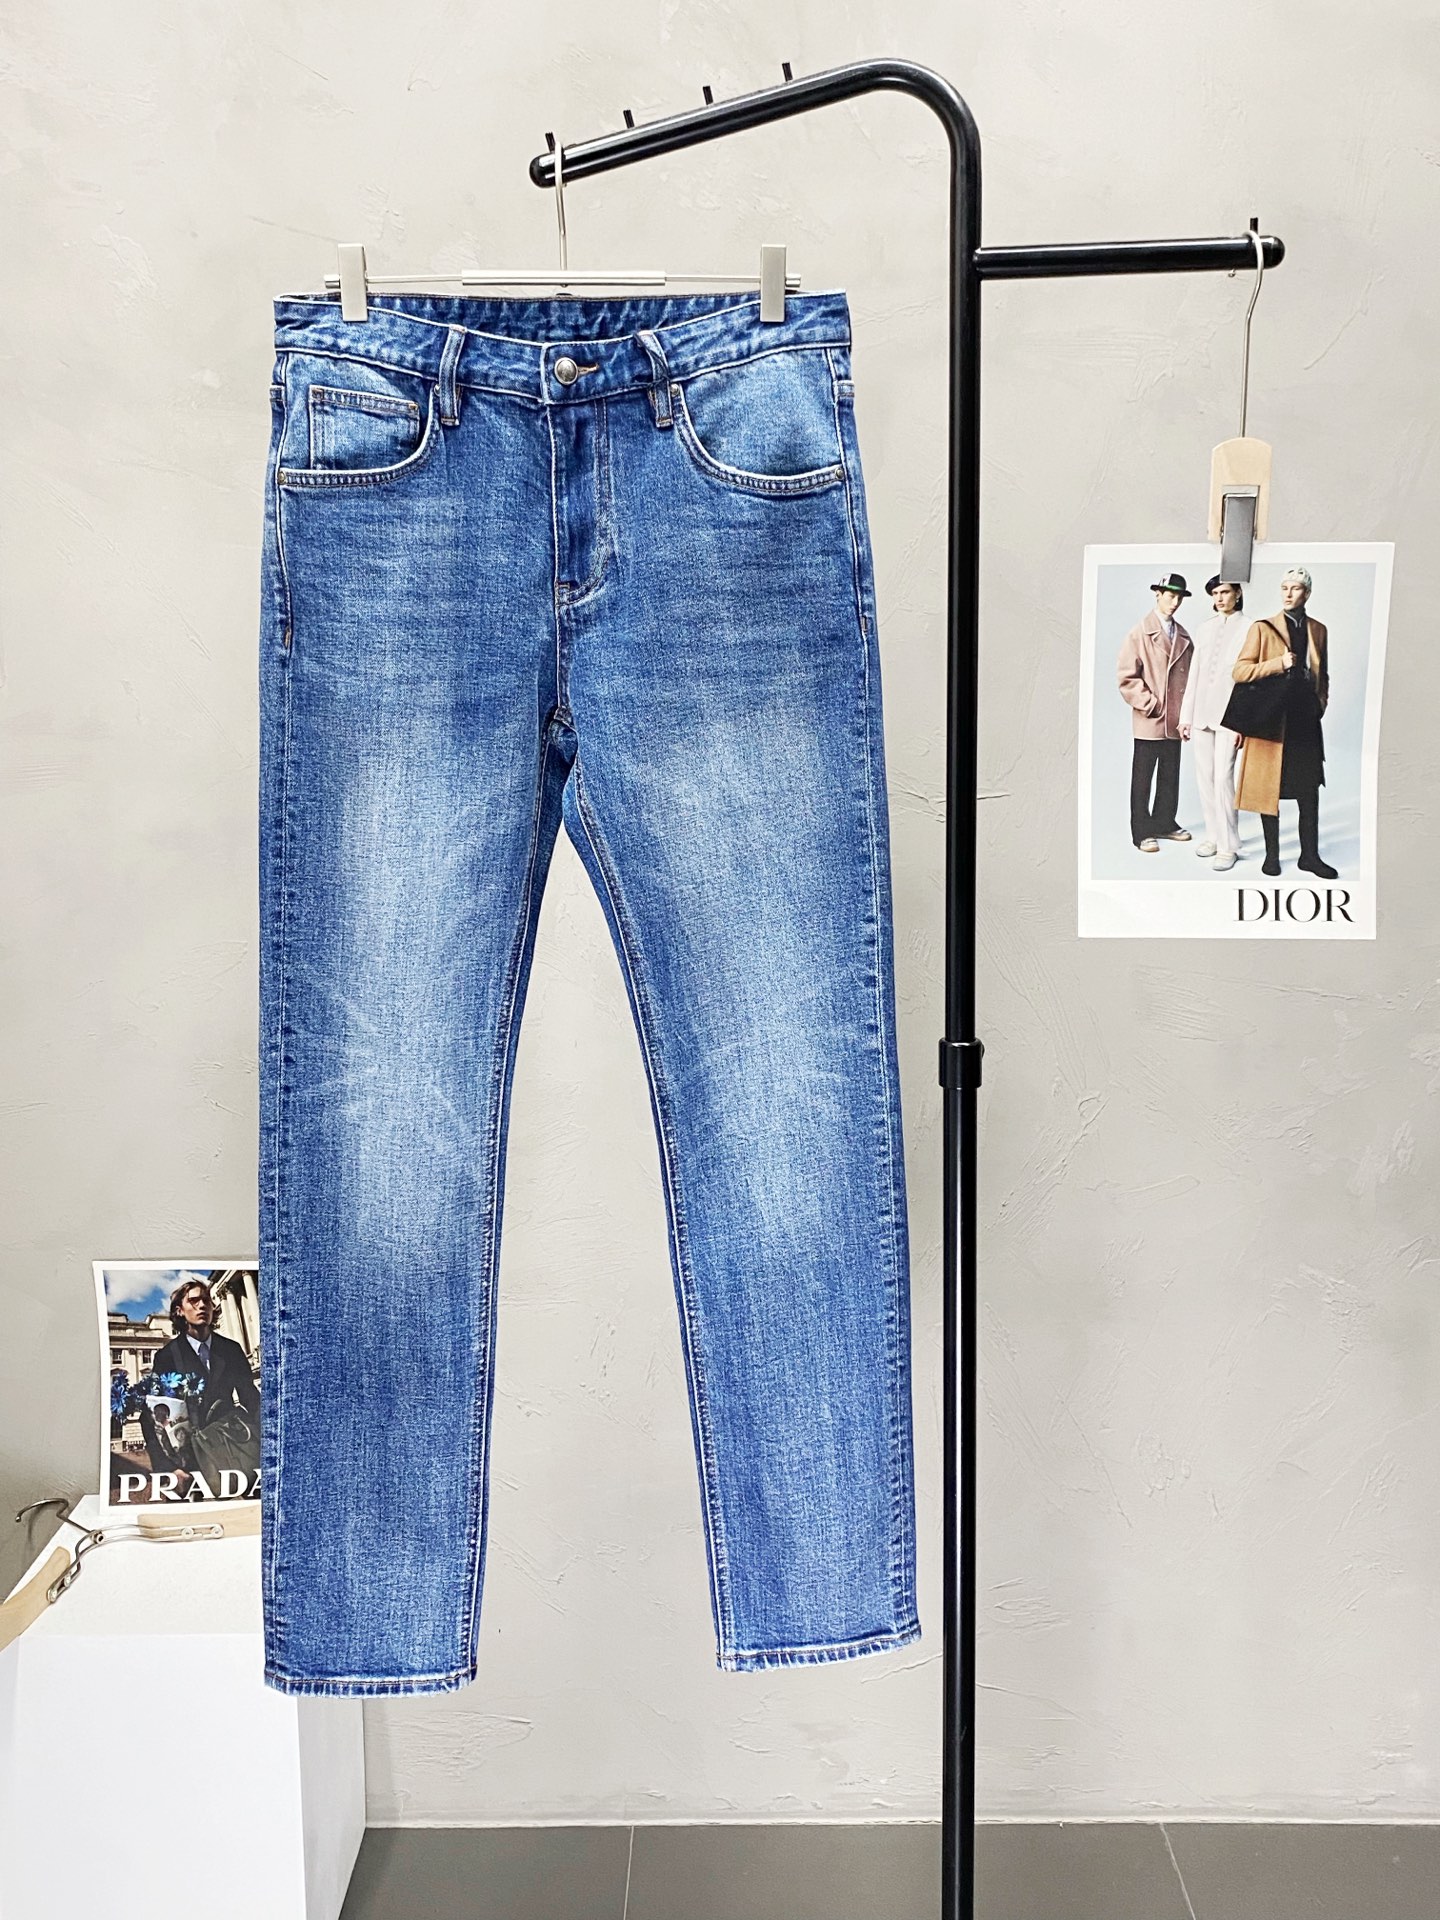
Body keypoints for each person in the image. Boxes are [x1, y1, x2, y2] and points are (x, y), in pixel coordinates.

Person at [1232, 566, 1336, 878]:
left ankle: (1310, 857)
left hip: (1305, 720)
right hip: (1272, 720)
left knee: (1309, 790)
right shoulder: (1263, 629)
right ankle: (1272, 857)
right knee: (1270, 789)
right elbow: (1240, 671)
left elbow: (1322, 675)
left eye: (1296, 588)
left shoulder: (1319, 629)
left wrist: (1319, 704)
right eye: (1285, 588)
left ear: (1307, 593)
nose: (1289, 594)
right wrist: (1277, 663)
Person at [1117, 572, 1194, 853]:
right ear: (1158, 595)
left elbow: (1191, 679)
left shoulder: (1184, 636)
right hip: (1150, 718)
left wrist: (1186, 714)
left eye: (1179, 598)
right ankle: (1141, 831)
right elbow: (1127, 677)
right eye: (1170, 596)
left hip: (1175, 720)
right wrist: (1151, 704)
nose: (1174, 603)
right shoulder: (1139, 633)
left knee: (1170, 775)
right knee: (1143, 777)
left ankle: (1164, 822)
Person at [1179, 576, 1248, 870]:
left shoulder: (1250, 628)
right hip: (1201, 714)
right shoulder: (1204, 629)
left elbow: (1249, 683)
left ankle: (1229, 845)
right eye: (1215, 593)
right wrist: (1186, 717)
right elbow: (1194, 674)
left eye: (1225, 592)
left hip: (1231, 716)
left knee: (1223, 779)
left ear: (1238, 593)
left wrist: (1243, 722)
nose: (1219, 598)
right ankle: (1213, 835)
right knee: (1204, 778)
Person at [152, 1277, 261, 1430]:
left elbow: (251, 1399)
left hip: (230, 1437)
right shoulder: (166, 1357)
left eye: (206, 1300)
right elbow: (155, 1413)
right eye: (194, 1301)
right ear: (179, 1310)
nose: (202, 1305)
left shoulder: (231, 1349)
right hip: (191, 1441)